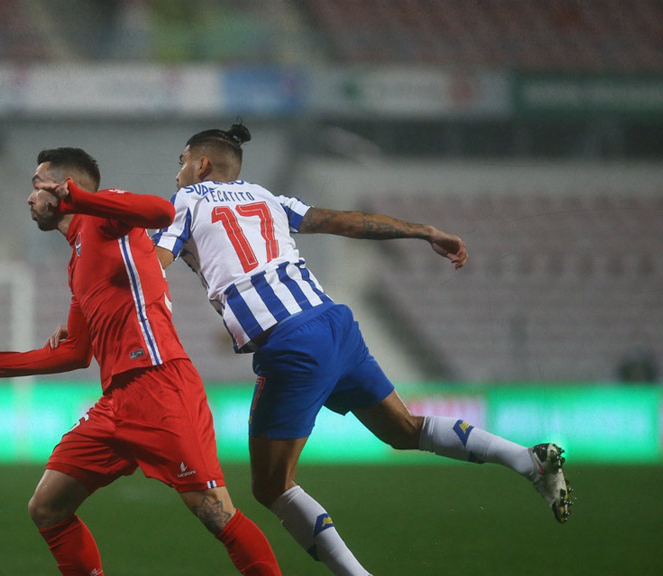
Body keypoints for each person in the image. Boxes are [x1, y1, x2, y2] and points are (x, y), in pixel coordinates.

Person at [149, 123, 573, 575]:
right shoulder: (267, 197)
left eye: (181, 162)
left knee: (271, 486)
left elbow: (155, 265)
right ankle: (526, 460)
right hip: (334, 323)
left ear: (203, 164)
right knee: (405, 430)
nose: (177, 173)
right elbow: (342, 221)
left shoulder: (186, 201)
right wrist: (424, 231)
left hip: (291, 344)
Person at [0, 148, 282, 575]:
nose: (29, 198)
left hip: (160, 384)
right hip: (115, 402)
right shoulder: (76, 263)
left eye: (38, 186)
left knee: (214, 512)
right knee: (47, 507)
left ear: (64, 188)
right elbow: (76, 353)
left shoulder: (106, 217)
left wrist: (84, 200)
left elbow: (160, 211)